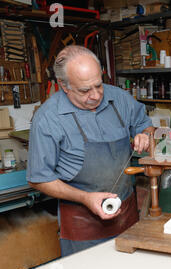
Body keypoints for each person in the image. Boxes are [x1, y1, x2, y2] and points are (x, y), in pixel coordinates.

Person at [27, 45, 154, 256]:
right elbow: (38, 178)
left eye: (99, 85)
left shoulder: (118, 98)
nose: (95, 95)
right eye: (85, 91)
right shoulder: (48, 119)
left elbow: (145, 125)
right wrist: (86, 198)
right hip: (82, 224)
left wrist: (146, 135)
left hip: (127, 214)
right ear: (63, 86)